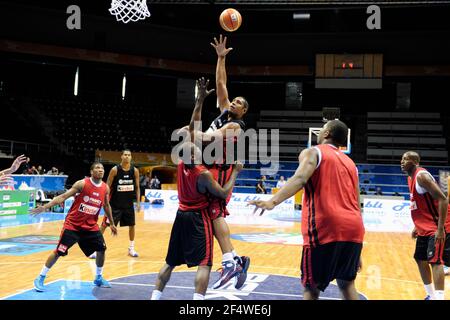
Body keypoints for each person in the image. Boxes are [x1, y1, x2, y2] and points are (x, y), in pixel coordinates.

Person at [249, 120, 365, 300]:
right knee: (347, 284)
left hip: (326, 227)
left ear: (326, 134)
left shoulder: (313, 152)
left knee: (311, 288)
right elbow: (357, 203)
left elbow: (300, 178)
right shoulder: (351, 164)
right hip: (354, 230)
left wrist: (272, 201)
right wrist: (358, 248)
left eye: (323, 129)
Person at [178, 71, 250, 289]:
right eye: (233, 100)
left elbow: (208, 138)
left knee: (215, 212)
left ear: (243, 111)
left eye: (238, 103)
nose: (234, 103)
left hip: (221, 170)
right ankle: (235, 259)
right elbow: (221, 83)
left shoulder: (236, 125)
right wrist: (220, 58)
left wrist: (189, 131)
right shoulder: (223, 115)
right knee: (210, 214)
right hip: (212, 166)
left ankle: (231, 261)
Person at [151, 144, 243, 300]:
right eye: (197, 148)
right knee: (205, 264)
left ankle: (154, 297)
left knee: (170, 263)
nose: (201, 149)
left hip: (180, 216)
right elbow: (223, 193)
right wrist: (235, 172)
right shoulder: (203, 174)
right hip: (198, 218)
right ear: (193, 155)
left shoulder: (180, 164)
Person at [30, 162, 118, 292]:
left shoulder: (105, 188)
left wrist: (112, 223)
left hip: (90, 227)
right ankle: (40, 277)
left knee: (101, 249)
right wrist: (45, 207)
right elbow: (63, 197)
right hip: (73, 226)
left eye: (102, 168)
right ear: (91, 171)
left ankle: (98, 277)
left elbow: (106, 206)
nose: (101, 170)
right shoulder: (82, 184)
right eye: (98, 168)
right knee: (58, 252)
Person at [401, 151, 450, 300]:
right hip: (425, 227)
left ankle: (439, 298)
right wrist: (417, 225)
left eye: (406, 159)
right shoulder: (410, 178)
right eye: (402, 159)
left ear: (415, 162)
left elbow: (443, 199)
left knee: (435, 261)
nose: (402, 161)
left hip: (437, 227)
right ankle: (431, 295)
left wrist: (440, 229)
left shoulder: (421, 176)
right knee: (420, 259)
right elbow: (421, 204)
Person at [94, 150, 141, 258]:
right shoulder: (115, 170)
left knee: (132, 225)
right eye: (125, 155)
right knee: (104, 225)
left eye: (129, 155)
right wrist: (104, 200)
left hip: (128, 205)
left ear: (131, 157)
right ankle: (95, 248)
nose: (127, 157)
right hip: (114, 205)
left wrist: (138, 203)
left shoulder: (135, 171)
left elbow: (138, 187)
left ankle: (131, 248)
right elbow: (107, 186)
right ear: (121, 156)